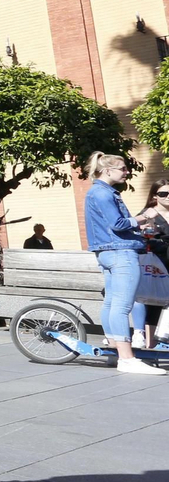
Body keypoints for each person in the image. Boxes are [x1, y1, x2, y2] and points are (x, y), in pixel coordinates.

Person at [84, 153, 162, 375]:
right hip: (120, 253)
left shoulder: (97, 192)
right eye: (123, 168)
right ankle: (127, 359)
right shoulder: (103, 193)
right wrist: (145, 216)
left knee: (111, 303)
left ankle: (114, 351)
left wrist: (138, 228)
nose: (127, 172)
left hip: (108, 252)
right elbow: (117, 223)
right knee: (122, 306)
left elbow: (111, 226)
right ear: (107, 170)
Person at [136, 180, 169, 350]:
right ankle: (151, 345)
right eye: (163, 194)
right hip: (158, 264)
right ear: (155, 196)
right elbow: (140, 239)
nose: (168, 197)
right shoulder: (148, 214)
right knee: (154, 304)